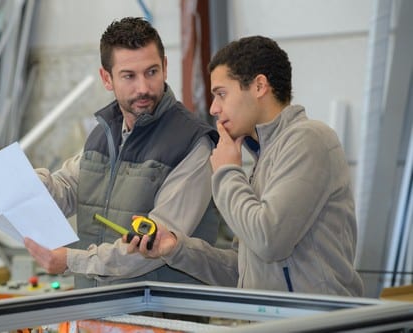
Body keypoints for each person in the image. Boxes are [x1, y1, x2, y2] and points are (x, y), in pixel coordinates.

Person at [128, 35, 364, 297]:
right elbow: (242, 273)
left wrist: (227, 171)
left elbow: (269, 241)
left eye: (221, 94)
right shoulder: (264, 157)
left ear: (259, 86)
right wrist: (175, 248)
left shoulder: (310, 140)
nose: (215, 108)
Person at [23, 17, 220, 289]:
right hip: (95, 308)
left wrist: (73, 261)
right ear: (107, 78)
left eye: (151, 72)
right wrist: (30, 183)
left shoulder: (191, 143)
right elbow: (66, 190)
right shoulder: (104, 134)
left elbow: (153, 246)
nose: (143, 88)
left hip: (158, 317)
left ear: (165, 67)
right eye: (129, 76)